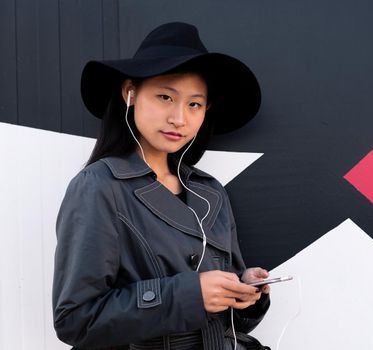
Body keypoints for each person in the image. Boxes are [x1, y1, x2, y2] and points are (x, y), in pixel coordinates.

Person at [52, 22, 271, 350]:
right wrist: (190, 294)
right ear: (130, 93)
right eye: (165, 97)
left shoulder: (209, 191)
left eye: (194, 104)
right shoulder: (99, 187)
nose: (179, 118)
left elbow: (228, 317)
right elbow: (76, 320)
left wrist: (243, 291)